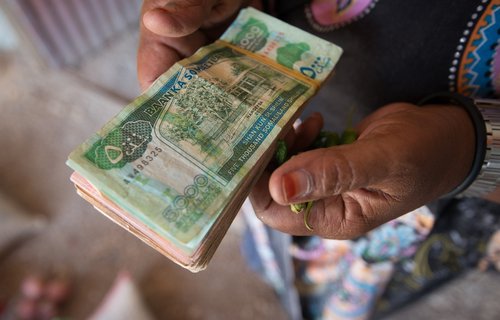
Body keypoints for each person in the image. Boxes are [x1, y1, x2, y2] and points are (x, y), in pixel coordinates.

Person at [137, 1, 500, 319]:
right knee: (282, 234)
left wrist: (464, 151)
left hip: (451, 193)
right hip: (298, 126)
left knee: (355, 272)